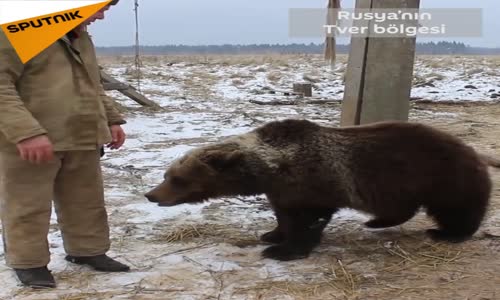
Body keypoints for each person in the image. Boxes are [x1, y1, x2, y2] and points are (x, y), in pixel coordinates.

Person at [0, 0, 130, 289]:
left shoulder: (79, 35)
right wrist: (26, 133)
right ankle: (28, 262)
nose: (101, 16)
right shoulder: (20, 30)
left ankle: (88, 250)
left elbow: (91, 82)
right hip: (32, 139)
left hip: (81, 133)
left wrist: (111, 119)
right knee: (27, 204)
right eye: (99, 8)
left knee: (86, 199)